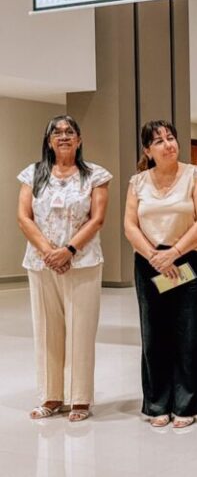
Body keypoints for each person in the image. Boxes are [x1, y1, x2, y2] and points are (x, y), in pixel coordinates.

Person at [17, 115, 112, 422]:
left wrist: (69, 250)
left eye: (70, 131)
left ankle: (80, 399)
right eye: (56, 132)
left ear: (79, 139)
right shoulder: (33, 174)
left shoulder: (95, 174)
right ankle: (51, 396)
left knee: (80, 330)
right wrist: (49, 252)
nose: (63, 136)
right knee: (46, 329)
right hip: (41, 262)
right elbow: (24, 217)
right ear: (48, 141)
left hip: (82, 261)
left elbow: (97, 218)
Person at [124, 120, 197, 429]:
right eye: (159, 141)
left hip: (192, 259)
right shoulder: (138, 182)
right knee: (154, 333)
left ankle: (188, 403)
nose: (168, 144)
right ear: (148, 150)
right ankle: (156, 404)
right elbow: (129, 225)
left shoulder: (195, 175)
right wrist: (155, 256)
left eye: (171, 138)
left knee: (189, 333)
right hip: (151, 261)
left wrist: (173, 254)